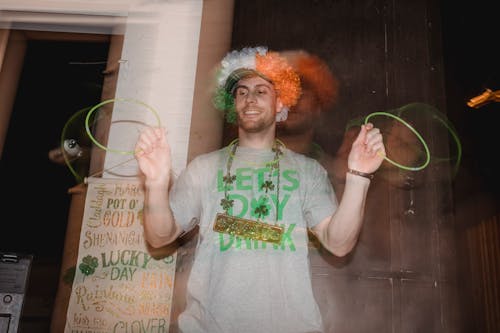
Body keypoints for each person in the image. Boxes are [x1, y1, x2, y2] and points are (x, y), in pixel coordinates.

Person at [134, 46, 385, 333]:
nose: (249, 98)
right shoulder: (203, 168)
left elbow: (338, 243)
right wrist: (154, 183)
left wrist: (358, 176)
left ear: (280, 103)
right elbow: (159, 236)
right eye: (241, 92)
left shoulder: (307, 171)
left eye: (261, 91)